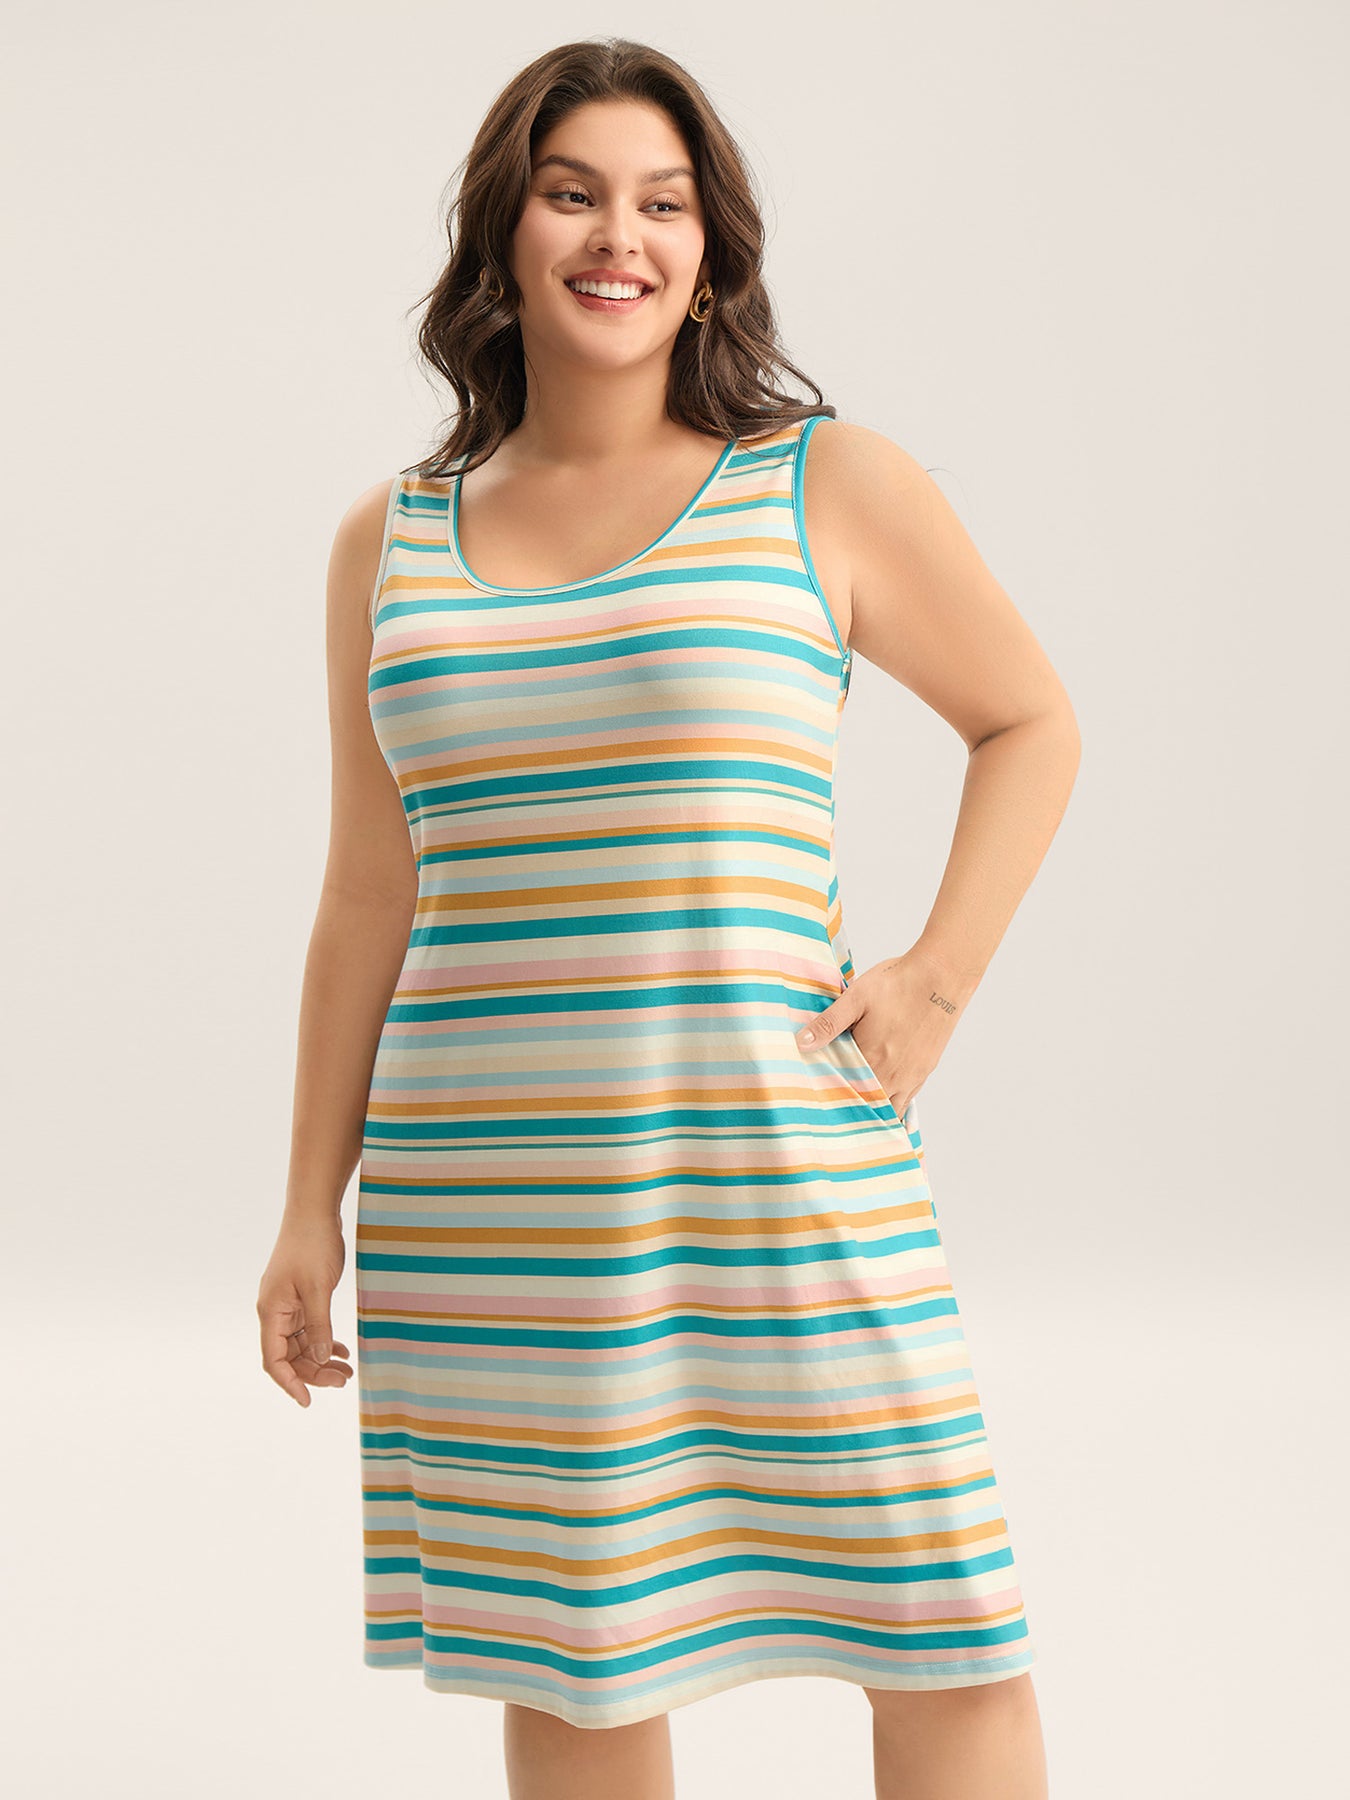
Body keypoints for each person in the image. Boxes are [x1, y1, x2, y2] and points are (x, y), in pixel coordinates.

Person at [257, 36, 1075, 1800]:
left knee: (943, 1630)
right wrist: (309, 1205)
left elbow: (1028, 721)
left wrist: (935, 979)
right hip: (489, 1200)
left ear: (708, 252)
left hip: (773, 1154)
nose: (615, 236)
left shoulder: (821, 485)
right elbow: (365, 891)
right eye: (572, 195)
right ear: (506, 231)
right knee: (577, 1664)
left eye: (661, 203)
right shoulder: (386, 542)